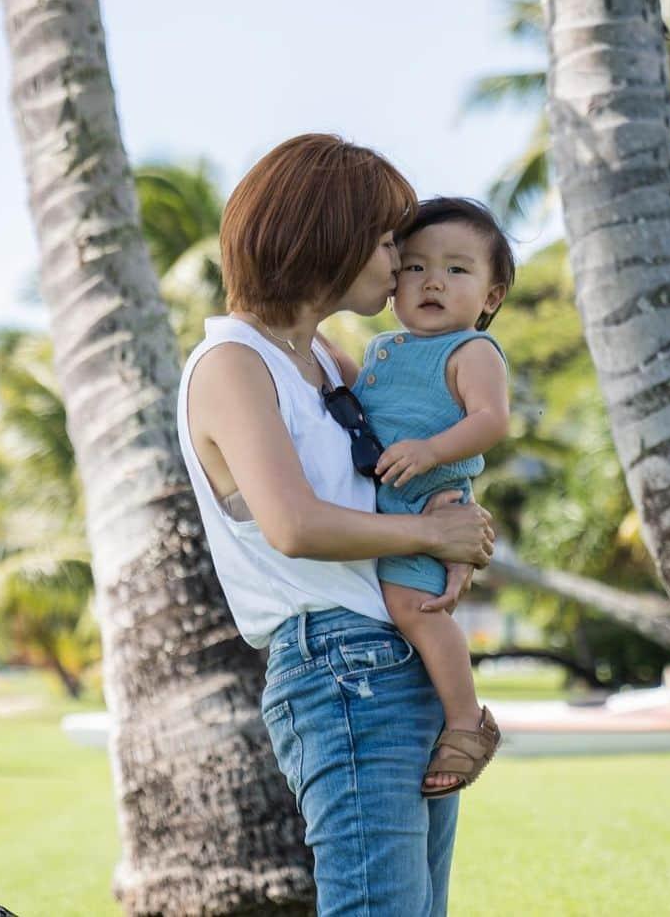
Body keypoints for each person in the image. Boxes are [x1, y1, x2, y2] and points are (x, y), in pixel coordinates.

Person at [178, 134, 496, 917]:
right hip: (340, 665)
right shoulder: (233, 365)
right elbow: (294, 524)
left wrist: (456, 516)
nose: (402, 264)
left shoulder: (324, 358)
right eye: (389, 242)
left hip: (397, 651)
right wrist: (430, 539)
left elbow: (401, 464)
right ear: (333, 234)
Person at [357, 197, 515, 798]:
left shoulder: (471, 350)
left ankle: (466, 720)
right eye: (416, 267)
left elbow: (490, 420)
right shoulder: (384, 349)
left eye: (456, 270)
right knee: (400, 604)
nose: (432, 282)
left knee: (415, 609)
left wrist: (429, 449)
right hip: (394, 503)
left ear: (490, 297)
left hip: (429, 497)